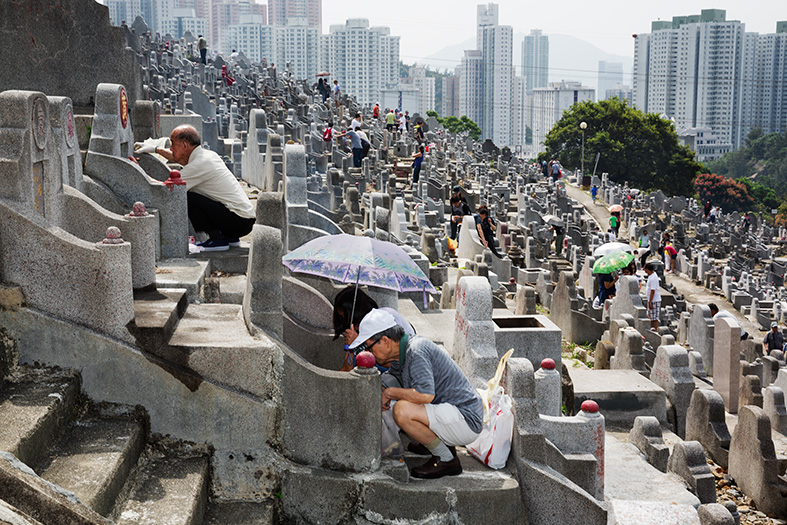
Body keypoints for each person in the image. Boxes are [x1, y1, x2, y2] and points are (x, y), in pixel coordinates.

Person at [350, 309, 483, 479]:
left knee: (401, 410)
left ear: (385, 341)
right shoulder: (400, 354)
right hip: (450, 413)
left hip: (466, 419)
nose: (369, 352)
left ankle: (446, 459)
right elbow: (393, 379)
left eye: (368, 347)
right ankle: (433, 442)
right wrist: (382, 389)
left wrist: (389, 393)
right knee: (394, 401)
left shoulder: (416, 350)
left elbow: (425, 395)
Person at [135, 125, 255, 251]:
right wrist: (155, 149)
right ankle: (229, 237)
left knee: (185, 195)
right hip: (244, 220)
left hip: (237, 222)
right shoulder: (208, 155)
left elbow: (167, 189)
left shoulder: (199, 164)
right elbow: (178, 158)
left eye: (172, 144)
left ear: (184, 145)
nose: (170, 148)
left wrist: (139, 172)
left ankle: (218, 239)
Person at [332, 287, 414, 372]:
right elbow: (347, 368)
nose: (344, 321)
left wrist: (359, 346)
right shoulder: (361, 326)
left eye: (344, 316)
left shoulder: (384, 318)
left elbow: (395, 362)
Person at [644, 262, 661, 331]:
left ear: (647, 269)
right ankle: (653, 329)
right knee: (651, 316)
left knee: (654, 318)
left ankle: (655, 330)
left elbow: (652, 291)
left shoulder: (653, 277)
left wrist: (650, 302)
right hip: (651, 300)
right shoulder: (651, 276)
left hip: (654, 300)